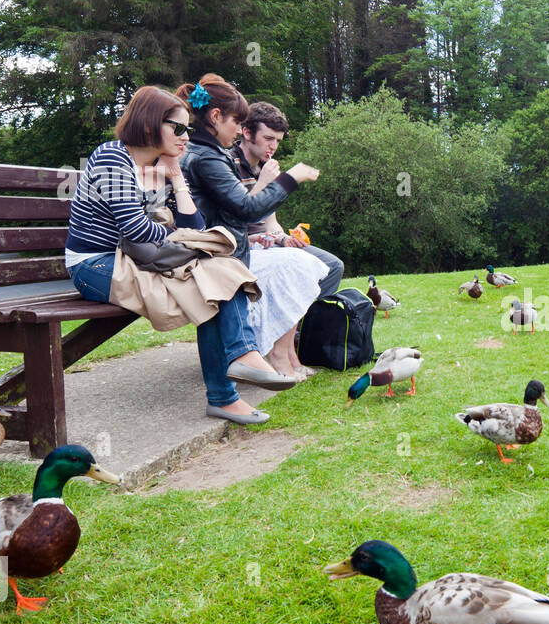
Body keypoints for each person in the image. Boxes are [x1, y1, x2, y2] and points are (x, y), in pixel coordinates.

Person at [64, 86, 295, 425]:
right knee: (212, 281)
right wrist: (187, 241)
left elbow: (194, 223)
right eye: (178, 128)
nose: (186, 136)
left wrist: (175, 177)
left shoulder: (162, 166)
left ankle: (239, 362)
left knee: (221, 275)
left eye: (188, 128)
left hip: (136, 259)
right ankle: (227, 391)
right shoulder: (112, 156)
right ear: (148, 124)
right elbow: (136, 230)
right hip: (95, 265)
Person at [175, 75, 324, 379]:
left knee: (303, 262)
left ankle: (279, 352)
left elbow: (236, 215)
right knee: (295, 266)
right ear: (216, 117)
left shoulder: (209, 152)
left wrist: (267, 237)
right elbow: (246, 208)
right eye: (235, 122)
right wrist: (292, 177)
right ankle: (273, 355)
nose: (237, 130)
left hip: (227, 250)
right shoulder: (207, 158)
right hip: (216, 259)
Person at [232, 101, 345, 297]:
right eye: (268, 138)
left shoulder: (265, 167)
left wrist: (284, 239)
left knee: (333, 266)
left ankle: (304, 325)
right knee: (294, 271)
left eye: (278, 140)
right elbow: (238, 214)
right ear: (247, 133)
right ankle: (290, 324)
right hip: (242, 247)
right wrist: (264, 182)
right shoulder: (228, 164)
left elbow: (271, 222)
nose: (273, 146)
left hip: (269, 245)